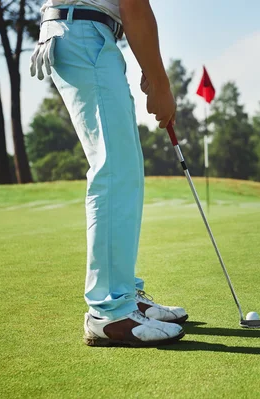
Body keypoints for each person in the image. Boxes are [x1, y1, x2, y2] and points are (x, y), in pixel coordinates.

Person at [30, 0, 187, 347]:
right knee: (114, 170)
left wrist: (152, 68)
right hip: (85, 35)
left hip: (87, 34)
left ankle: (125, 294)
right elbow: (134, 6)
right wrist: (161, 84)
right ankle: (109, 311)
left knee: (124, 169)